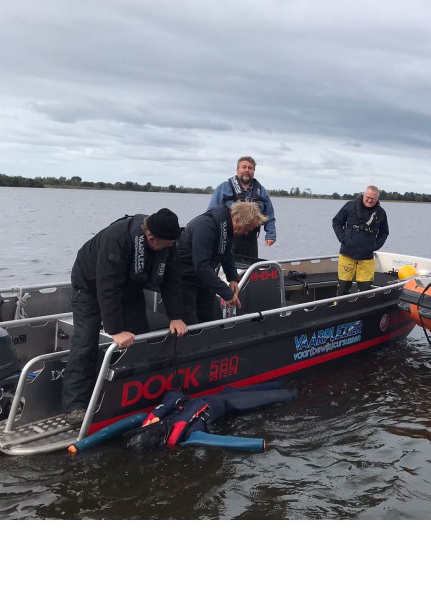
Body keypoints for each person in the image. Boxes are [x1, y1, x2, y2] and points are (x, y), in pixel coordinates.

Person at [61, 209, 188, 422]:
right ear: (150, 238)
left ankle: (130, 394)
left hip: (130, 289)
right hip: (90, 286)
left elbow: (172, 280)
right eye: (167, 244)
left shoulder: (168, 243)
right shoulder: (117, 239)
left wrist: (176, 316)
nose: (170, 247)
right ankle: (75, 406)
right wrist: (116, 330)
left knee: (141, 336)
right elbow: (107, 286)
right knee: (85, 341)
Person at [177, 201, 267, 324]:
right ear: (237, 220)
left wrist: (233, 278)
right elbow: (201, 265)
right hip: (185, 280)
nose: (247, 233)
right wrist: (226, 293)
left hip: (204, 280)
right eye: (247, 229)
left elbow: (226, 253)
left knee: (213, 321)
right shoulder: (206, 226)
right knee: (191, 325)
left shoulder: (227, 227)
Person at [207, 156, 276, 258]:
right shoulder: (224, 187)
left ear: (254, 171)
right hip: (228, 236)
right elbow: (211, 213)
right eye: (244, 167)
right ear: (237, 169)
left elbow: (269, 213)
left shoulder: (260, 190)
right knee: (227, 266)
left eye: (250, 168)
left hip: (251, 238)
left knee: (250, 267)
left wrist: (270, 234)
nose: (247, 170)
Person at [331, 186, 389, 295]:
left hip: (366, 257)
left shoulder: (381, 213)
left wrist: (375, 246)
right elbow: (336, 222)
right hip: (347, 254)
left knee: (365, 289)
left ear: (377, 199)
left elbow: (384, 232)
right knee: (343, 286)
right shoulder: (350, 206)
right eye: (368, 197)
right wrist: (343, 238)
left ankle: (363, 310)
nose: (370, 200)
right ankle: (340, 307)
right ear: (363, 195)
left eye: (373, 198)